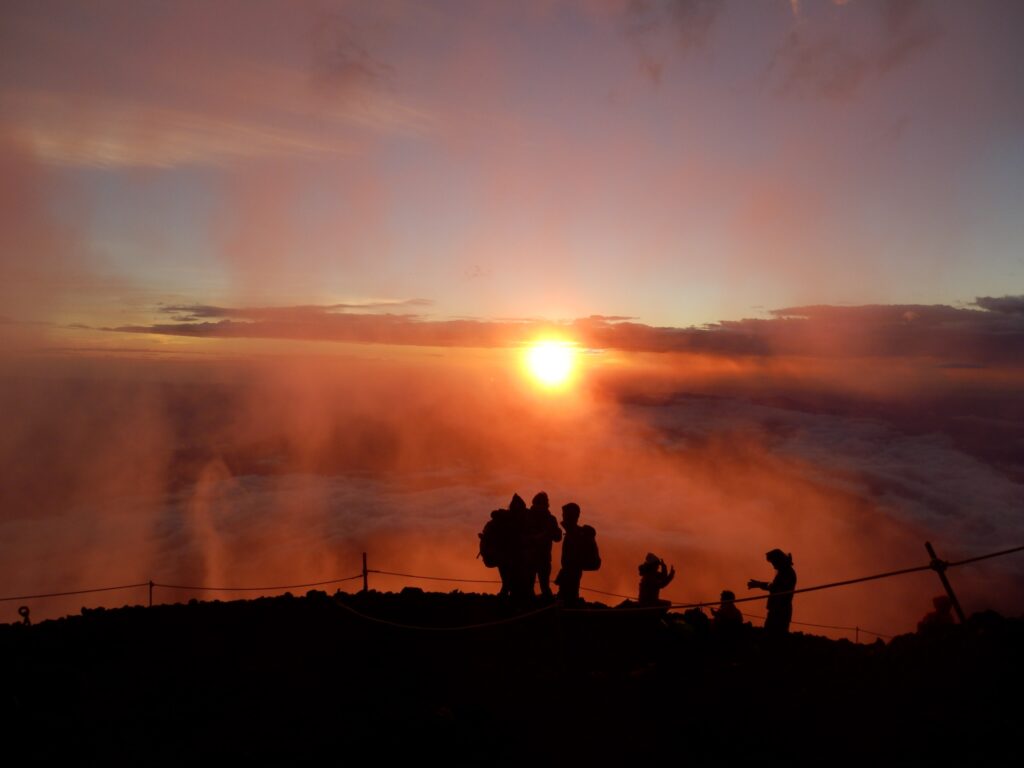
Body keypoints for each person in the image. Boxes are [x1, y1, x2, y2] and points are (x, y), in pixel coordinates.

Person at [555, 502, 600, 605]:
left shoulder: (575, 534)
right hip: (570, 574)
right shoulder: (574, 532)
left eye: (564, 514)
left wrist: (565, 572)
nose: (563, 516)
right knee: (569, 598)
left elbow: (573, 559)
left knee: (568, 599)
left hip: (571, 574)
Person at [747, 549, 797, 635]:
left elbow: (776, 588)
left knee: (774, 638)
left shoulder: (787, 573)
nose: (773, 566)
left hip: (780, 612)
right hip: (777, 610)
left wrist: (759, 584)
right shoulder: (784, 571)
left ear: (779, 560)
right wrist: (760, 584)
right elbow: (775, 587)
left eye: (773, 562)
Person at [525, 491, 562, 599]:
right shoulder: (547, 518)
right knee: (534, 586)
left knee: (541, 586)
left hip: (541, 558)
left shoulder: (548, 519)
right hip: (533, 558)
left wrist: (548, 533)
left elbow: (558, 537)